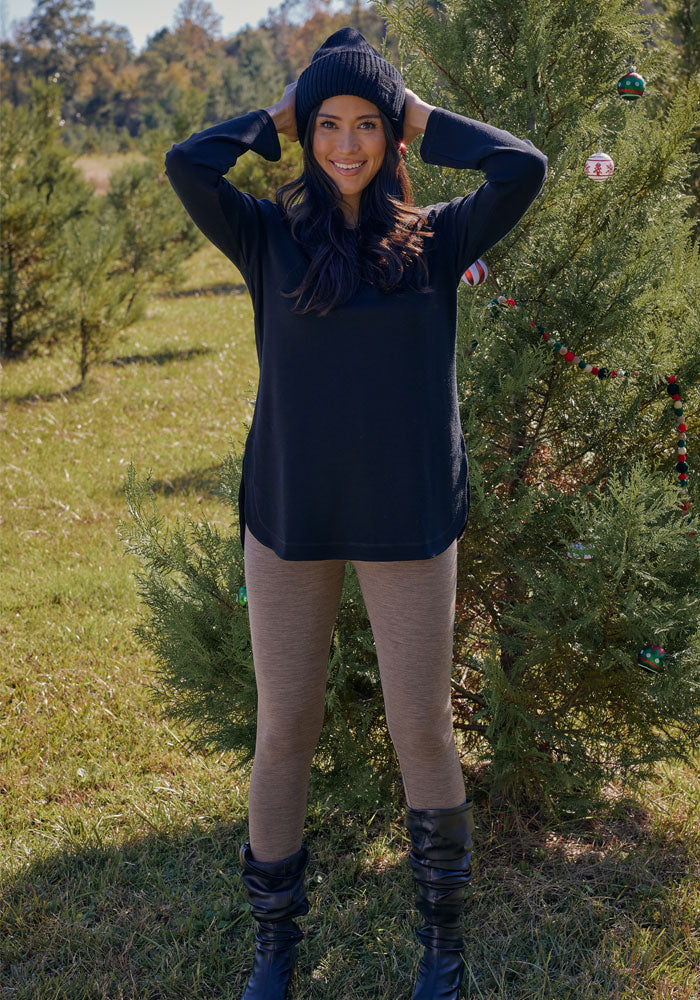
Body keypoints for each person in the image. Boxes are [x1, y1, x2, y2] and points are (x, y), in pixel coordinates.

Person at [164, 26, 547, 1000]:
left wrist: (414, 110)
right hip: (290, 513)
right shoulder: (264, 233)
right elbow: (186, 163)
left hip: (407, 515)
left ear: (391, 136)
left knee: (421, 725)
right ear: (305, 132)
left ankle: (441, 954)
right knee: (283, 725)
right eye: (328, 124)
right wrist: (277, 115)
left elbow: (522, 167)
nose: (344, 144)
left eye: (365, 124)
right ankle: (274, 952)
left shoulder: (438, 239)